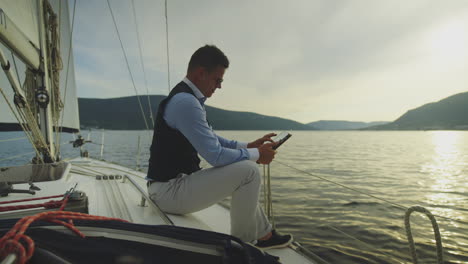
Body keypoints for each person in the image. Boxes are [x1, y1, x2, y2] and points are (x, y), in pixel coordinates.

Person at [147, 45, 293, 249]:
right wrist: (256, 155)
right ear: (201, 73)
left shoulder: (186, 99)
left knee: (246, 168)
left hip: (169, 186)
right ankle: (244, 244)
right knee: (249, 170)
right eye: (218, 80)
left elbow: (212, 138)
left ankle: (264, 235)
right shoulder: (186, 103)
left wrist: (249, 146)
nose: (220, 86)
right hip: (168, 192)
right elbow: (215, 155)